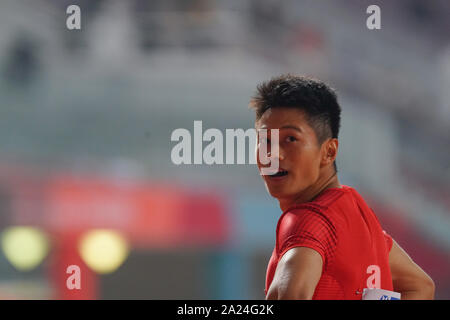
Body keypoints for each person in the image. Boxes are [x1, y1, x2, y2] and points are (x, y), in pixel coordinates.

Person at [250, 74, 435, 300]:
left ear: (328, 151)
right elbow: (420, 286)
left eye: (290, 139)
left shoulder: (307, 221)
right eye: (265, 141)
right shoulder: (362, 219)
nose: (273, 155)